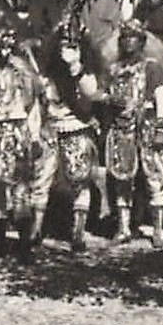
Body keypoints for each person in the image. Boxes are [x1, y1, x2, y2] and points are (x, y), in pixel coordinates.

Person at [0, 10, 54, 255]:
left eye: (5, 41)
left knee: (21, 189)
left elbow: (33, 105)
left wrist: (34, 135)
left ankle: (25, 242)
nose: (0, 48)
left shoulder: (22, 71)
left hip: (18, 132)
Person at [98, 17, 163, 247]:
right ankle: (123, 227)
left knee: (154, 178)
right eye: (126, 38)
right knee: (122, 178)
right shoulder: (114, 69)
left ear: (141, 42)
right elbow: (105, 97)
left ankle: (158, 228)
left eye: (134, 38)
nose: (129, 43)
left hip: (148, 128)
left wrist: (161, 127)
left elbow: (162, 98)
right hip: (121, 129)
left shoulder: (152, 66)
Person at [39, 16, 103, 251]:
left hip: (76, 129)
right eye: (63, 45)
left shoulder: (86, 74)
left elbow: (90, 95)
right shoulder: (48, 76)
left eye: (73, 46)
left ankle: (78, 233)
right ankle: (36, 232)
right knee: (42, 182)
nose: (67, 50)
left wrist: (76, 67)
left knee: (80, 181)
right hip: (50, 132)